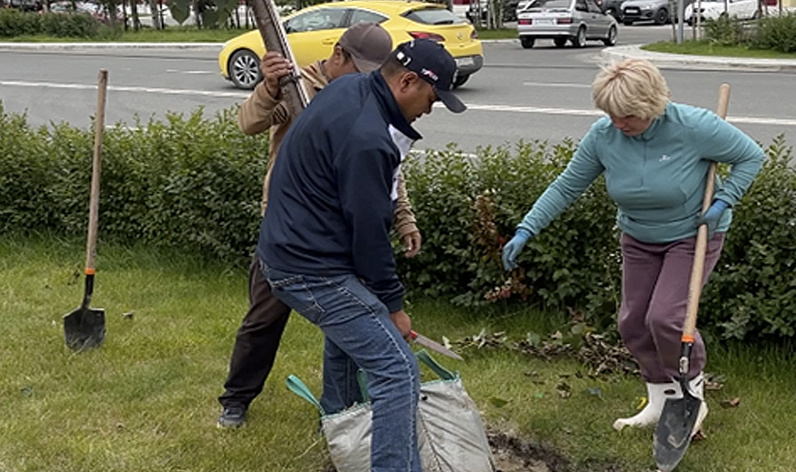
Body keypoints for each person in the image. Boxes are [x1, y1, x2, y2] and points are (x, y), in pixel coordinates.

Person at [502, 58, 764, 435]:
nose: (617, 123)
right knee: (633, 322)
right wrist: (527, 228)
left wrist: (725, 200)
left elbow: (750, 156)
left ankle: (691, 396)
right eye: (610, 114)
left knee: (666, 318)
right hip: (639, 237)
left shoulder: (693, 126)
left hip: (692, 235)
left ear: (651, 107)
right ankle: (659, 401)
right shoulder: (603, 136)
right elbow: (565, 186)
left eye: (627, 116)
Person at [257, 39, 466, 471]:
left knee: (351, 342)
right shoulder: (367, 137)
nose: (430, 109)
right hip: (309, 269)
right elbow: (369, 231)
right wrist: (393, 304)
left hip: (293, 251)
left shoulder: (350, 88)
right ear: (408, 81)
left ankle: (343, 433)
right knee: (397, 370)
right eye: (432, 98)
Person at [217, 22, 423, 429]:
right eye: (359, 67)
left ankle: (341, 414)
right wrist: (268, 88)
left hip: (342, 234)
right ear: (338, 55)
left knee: (346, 328)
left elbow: (386, 168)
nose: (367, 78)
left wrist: (403, 216)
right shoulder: (298, 87)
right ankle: (236, 400)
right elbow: (249, 123)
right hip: (294, 232)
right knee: (262, 321)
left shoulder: (377, 98)